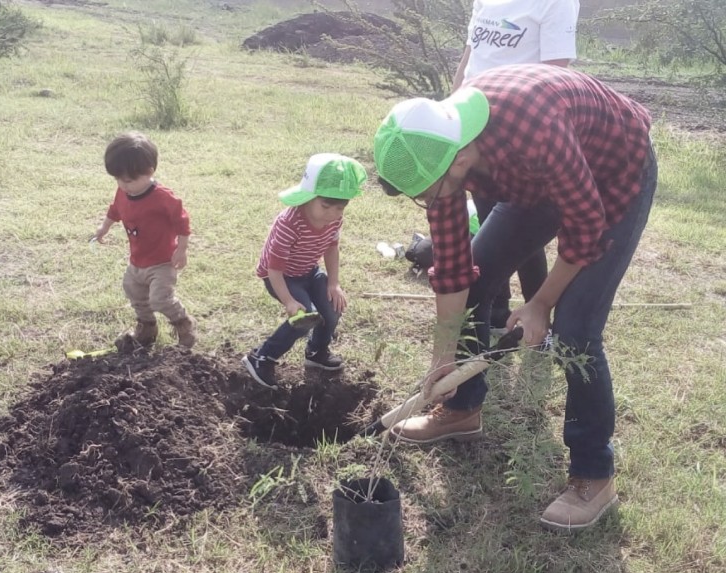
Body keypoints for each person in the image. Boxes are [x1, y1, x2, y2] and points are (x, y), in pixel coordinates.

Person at [373, 64, 656, 532]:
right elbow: (453, 269)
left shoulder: (534, 128)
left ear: (459, 162)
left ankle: (594, 474)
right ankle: (462, 408)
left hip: (614, 173)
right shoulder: (443, 149)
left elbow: (584, 231)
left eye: (426, 195)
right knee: (474, 289)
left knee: (575, 329)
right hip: (536, 178)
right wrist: (442, 355)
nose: (428, 203)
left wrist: (540, 304)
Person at [451, 0, 580, 330]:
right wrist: (451, 110)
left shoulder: (556, 3)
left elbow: (555, 75)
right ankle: (496, 309)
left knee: (521, 222)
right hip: (473, 126)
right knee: (489, 215)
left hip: (518, 130)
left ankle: (537, 314)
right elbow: (471, 57)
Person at [242, 153, 367, 390]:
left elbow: (331, 248)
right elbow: (274, 270)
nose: (331, 214)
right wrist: (289, 301)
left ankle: (316, 352)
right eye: (326, 206)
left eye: (339, 208)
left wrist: (334, 283)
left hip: (309, 271)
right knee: (305, 318)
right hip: (281, 277)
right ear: (309, 197)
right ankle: (261, 357)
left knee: (331, 310)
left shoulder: (334, 221)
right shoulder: (289, 223)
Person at [93, 131, 197, 349]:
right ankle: (147, 327)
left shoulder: (163, 198)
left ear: (149, 171)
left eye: (129, 180)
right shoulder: (123, 192)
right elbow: (115, 210)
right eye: (118, 179)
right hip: (137, 261)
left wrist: (182, 249)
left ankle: (183, 324)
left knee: (160, 299)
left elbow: (182, 222)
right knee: (134, 291)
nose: (123, 185)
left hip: (161, 262)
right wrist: (104, 228)